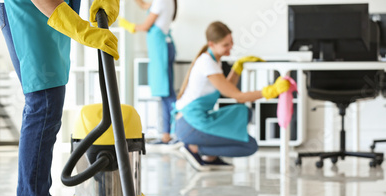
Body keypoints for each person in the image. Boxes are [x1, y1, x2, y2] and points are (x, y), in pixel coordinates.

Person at [0, 0, 120, 196]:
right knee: (43, 100)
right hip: (25, 6)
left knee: (53, 94)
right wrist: (83, 30)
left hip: (59, 4)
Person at [174, 21, 290, 171]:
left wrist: (237, 68)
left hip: (196, 120)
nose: (230, 48)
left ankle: (210, 157)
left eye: (231, 43)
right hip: (190, 125)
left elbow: (225, 87)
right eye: (225, 45)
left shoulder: (213, 60)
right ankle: (196, 149)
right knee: (250, 146)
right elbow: (238, 96)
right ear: (212, 44)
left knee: (243, 112)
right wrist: (271, 91)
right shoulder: (206, 63)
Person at [118, 0, 178, 145]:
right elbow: (146, 6)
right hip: (164, 46)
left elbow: (145, 26)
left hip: (161, 48)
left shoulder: (161, 1)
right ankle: (166, 135)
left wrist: (127, 25)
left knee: (166, 93)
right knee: (165, 93)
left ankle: (176, 132)